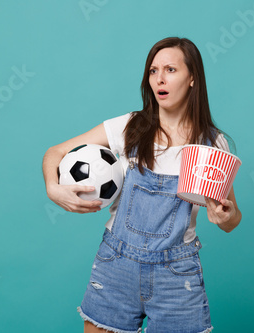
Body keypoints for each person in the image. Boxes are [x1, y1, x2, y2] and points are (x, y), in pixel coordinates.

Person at [42, 37, 241, 333]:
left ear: (192, 79)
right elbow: (55, 153)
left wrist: (225, 216)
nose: (159, 79)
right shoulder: (131, 127)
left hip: (176, 273)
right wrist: (53, 187)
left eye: (171, 70)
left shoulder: (211, 143)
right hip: (116, 264)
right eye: (153, 71)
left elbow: (231, 219)